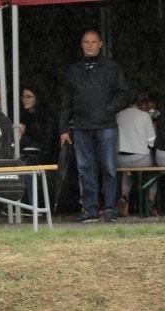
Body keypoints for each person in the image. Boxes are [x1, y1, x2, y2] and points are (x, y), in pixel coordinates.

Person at [59, 29, 130, 223]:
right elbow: (66, 101)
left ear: (100, 44)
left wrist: (108, 109)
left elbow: (124, 93)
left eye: (93, 42)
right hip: (81, 127)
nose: (89, 45)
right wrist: (63, 129)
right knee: (85, 170)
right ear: (82, 45)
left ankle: (109, 209)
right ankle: (89, 209)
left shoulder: (112, 68)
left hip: (106, 125)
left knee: (108, 168)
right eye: (86, 42)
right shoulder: (74, 70)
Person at [115, 91, 157, 217]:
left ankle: (125, 196)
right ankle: (150, 201)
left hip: (120, 158)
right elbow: (152, 142)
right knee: (153, 169)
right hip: (140, 159)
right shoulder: (144, 116)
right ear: (143, 104)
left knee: (127, 171)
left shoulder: (118, 115)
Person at [18, 84, 58, 206]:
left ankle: (31, 205)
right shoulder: (24, 116)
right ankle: (22, 204)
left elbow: (47, 142)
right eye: (23, 97)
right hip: (29, 153)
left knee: (26, 165)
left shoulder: (47, 117)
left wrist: (24, 137)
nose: (25, 100)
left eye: (29, 97)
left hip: (47, 154)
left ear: (37, 98)